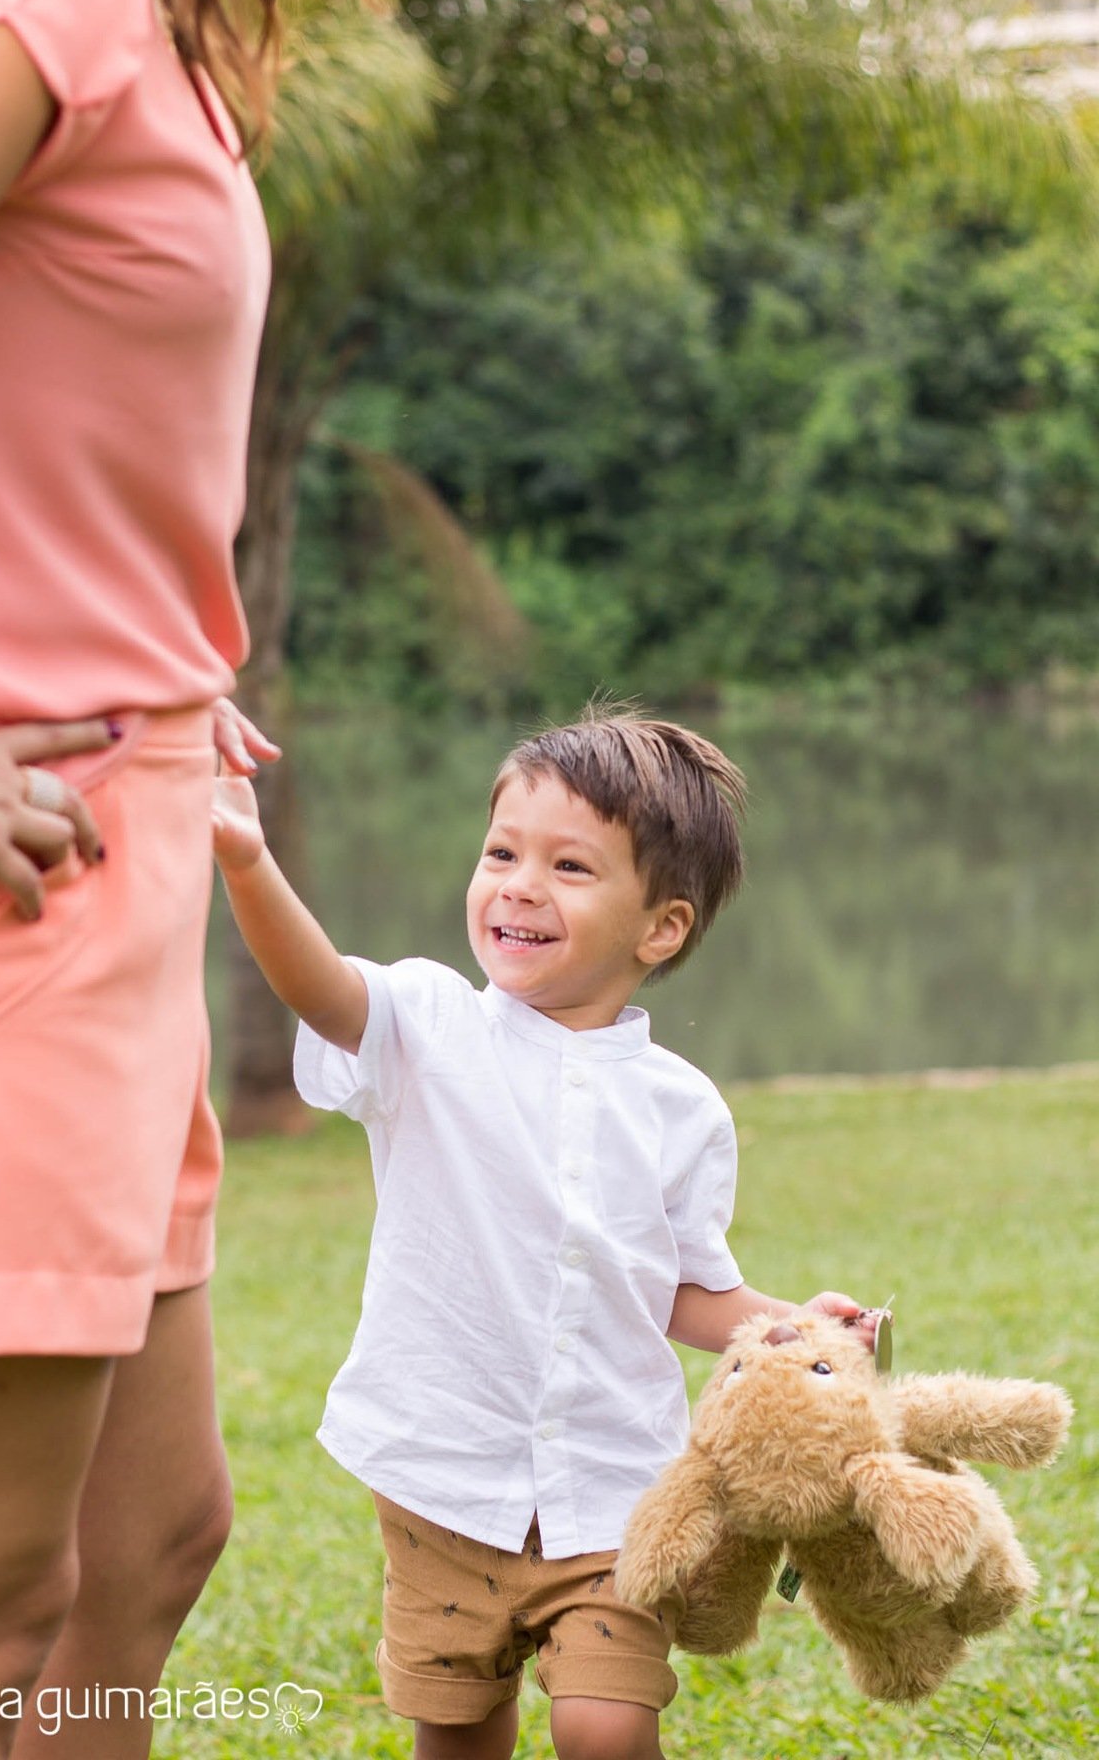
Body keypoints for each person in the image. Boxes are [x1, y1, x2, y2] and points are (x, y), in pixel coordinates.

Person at [212, 704, 882, 1760]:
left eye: (570, 867)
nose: (518, 884)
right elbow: (322, 988)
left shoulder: (682, 1108)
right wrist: (247, 860)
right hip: (446, 1473)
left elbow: (678, 1291)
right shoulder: (430, 1027)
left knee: (606, 1728)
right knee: (459, 1728)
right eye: (501, 853)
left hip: (617, 1487)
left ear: (660, 927)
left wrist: (797, 1328)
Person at [0, 0, 284, 1754]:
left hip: (129, 856)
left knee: (147, 1540)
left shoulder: (161, 18)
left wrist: (168, 675)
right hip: (8, 893)